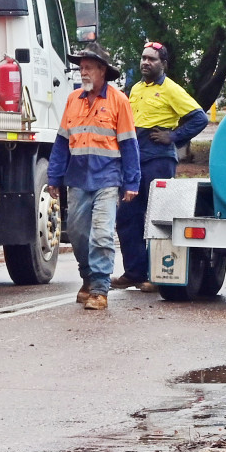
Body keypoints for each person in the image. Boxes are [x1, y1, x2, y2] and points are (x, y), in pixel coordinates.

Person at [46, 42, 139, 311]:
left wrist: (132, 182)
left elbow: (129, 144)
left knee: (101, 234)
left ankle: (99, 288)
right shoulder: (72, 100)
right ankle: (87, 278)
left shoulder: (118, 100)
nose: (83, 72)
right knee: (76, 234)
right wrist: (54, 177)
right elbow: (62, 142)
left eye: (88, 67)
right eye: (81, 68)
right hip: (77, 178)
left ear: (102, 70)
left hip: (108, 179)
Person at [114, 42, 210, 292]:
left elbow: (200, 118)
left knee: (157, 218)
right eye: (144, 58)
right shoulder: (134, 89)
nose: (146, 62)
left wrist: (174, 136)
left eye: (152, 59)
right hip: (134, 158)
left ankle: (159, 275)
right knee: (127, 216)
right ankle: (134, 272)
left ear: (163, 64)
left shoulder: (171, 89)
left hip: (158, 158)